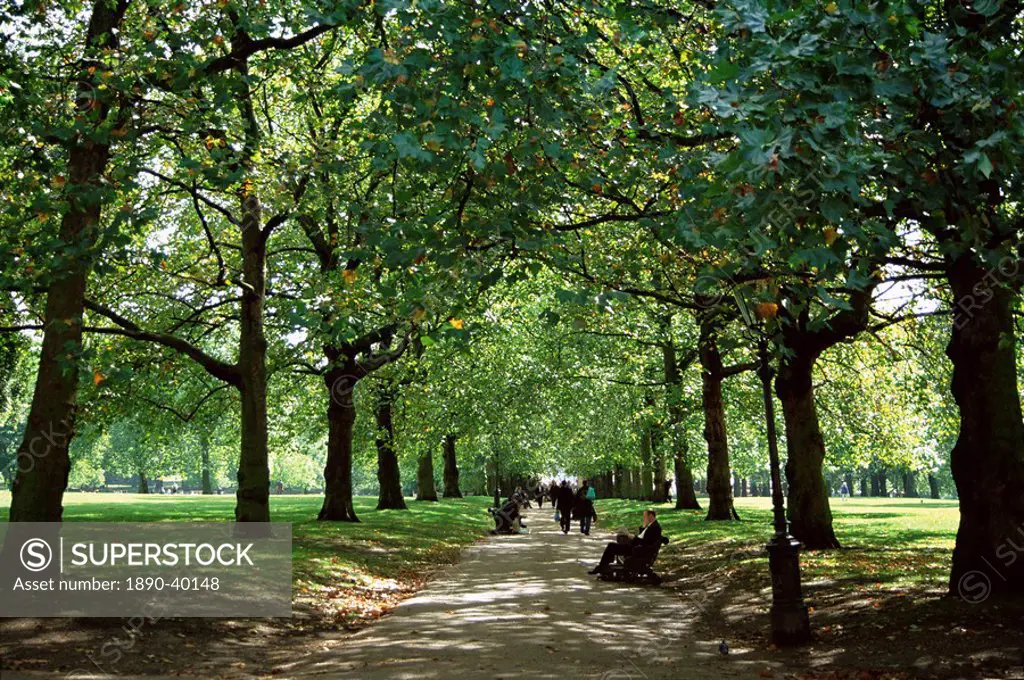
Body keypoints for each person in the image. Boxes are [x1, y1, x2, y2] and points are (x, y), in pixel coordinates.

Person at [588, 509, 662, 575]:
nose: (644, 518)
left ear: (651, 516)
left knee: (611, 546)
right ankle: (603, 566)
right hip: (636, 548)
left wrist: (634, 538)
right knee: (613, 545)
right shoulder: (651, 526)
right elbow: (644, 538)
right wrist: (643, 527)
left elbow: (646, 543)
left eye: (645, 516)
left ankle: (602, 567)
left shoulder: (655, 528)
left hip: (637, 550)